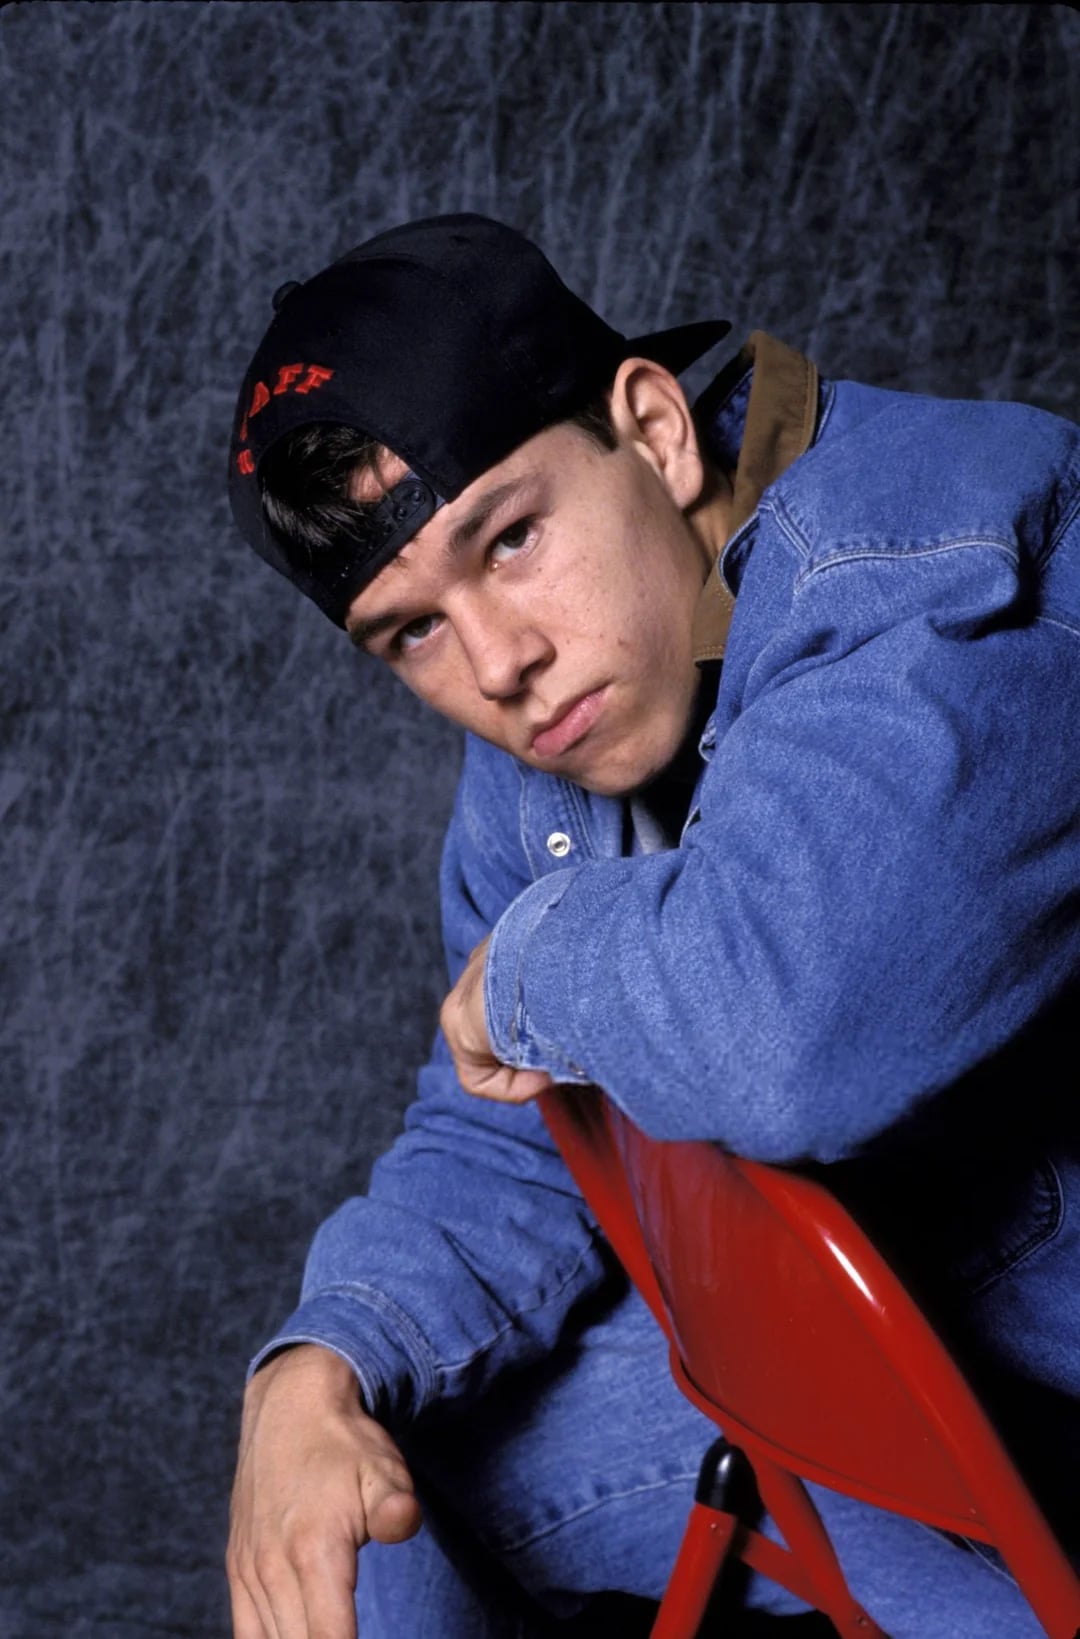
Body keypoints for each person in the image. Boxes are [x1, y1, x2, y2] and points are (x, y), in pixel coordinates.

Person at [224, 214, 1080, 1639]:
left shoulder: (936, 580)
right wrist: (313, 1368)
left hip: (1031, 1408)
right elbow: (510, 1127)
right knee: (351, 1507)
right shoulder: (580, 710)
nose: (499, 664)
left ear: (655, 428)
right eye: (413, 631)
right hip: (864, 1393)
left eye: (509, 539)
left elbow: (784, 1030)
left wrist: (534, 971)